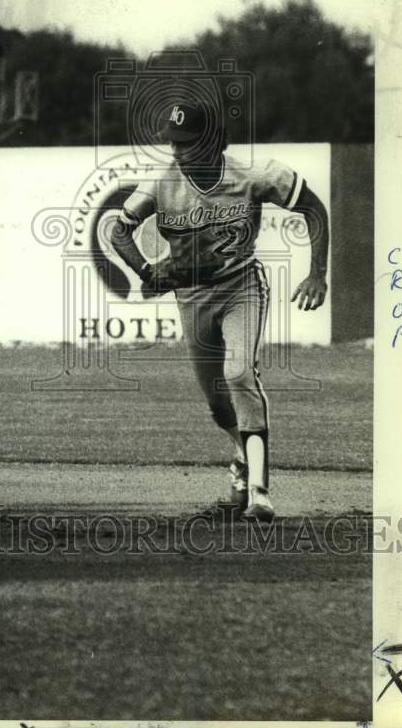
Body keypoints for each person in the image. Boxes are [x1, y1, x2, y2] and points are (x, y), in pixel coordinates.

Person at [110, 99, 329, 520]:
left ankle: (259, 491)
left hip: (240, 287)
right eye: (172, 143)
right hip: (191, 298)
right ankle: (242, 453)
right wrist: (146, 272)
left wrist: (317, 273)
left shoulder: (253, 176)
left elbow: (312, 207)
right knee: (217, 404)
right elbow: (120, 229)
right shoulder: (161, 184)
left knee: (239, 373)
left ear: (212, 143)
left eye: (186, 143)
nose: (176, 152)